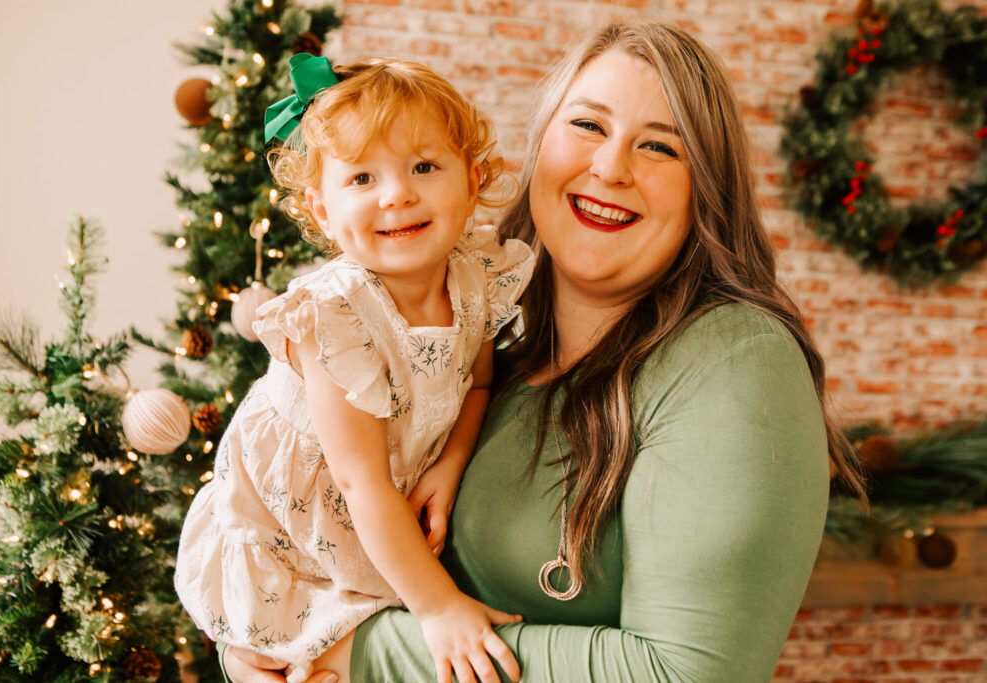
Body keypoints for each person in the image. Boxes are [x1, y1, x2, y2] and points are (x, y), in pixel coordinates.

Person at [224, 22, 866, 683]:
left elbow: (690, 672)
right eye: (588, 127)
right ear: (539, 147)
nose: (611, 168)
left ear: (706, 189)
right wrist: (257, 649)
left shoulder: (737, 361)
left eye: (658, 147)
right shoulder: (490, 336)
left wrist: (352, 652)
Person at [175, 54, 536, 683]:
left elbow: (479, 382)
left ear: (473, 181)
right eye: (362, 178)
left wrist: (450, 465)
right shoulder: (333, 315)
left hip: (371, 498)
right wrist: (440, 607)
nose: (397, 193)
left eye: (424, 167)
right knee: (299, 645)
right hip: (297, 505)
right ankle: (246, 655)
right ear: (320, 209)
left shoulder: (477, 277)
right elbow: (361, 483)